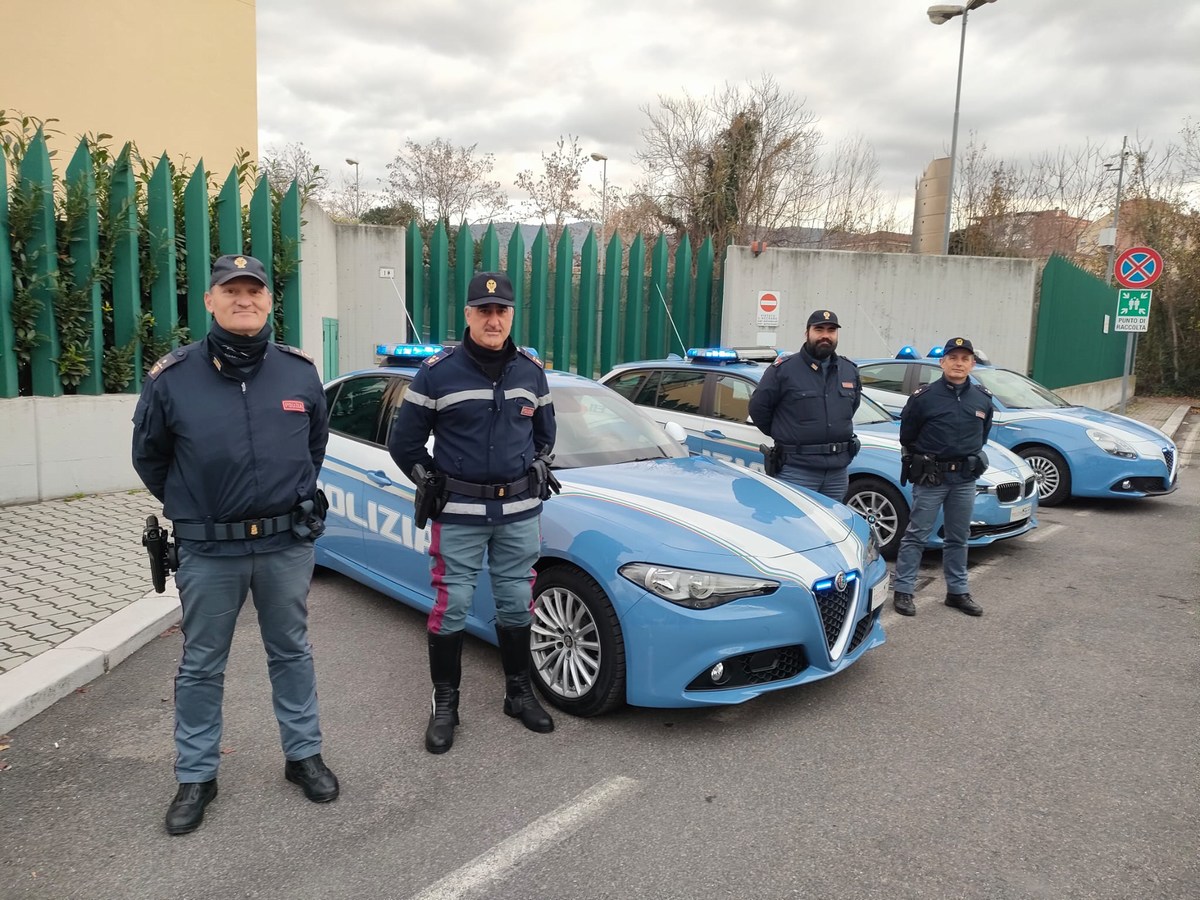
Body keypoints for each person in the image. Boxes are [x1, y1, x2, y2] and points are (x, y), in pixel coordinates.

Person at [132, 254, 338, 836]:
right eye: (232, 291)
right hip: (209, 551)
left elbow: (313, 449)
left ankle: (304, 756)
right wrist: (199, 503)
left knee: (291, 652)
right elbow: (150, 457)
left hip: (284, 545)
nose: (244, 300)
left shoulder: (299, 373)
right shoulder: (173, 378)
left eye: (254, 290)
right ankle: (197, 775)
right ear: (210, 301)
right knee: (201, 664)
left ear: (270, 300)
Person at [389, 271, 558, 755]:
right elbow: (404, 443)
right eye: (483, 311)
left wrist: (537, 465)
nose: (493, 318)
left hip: (519, 512)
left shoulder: (531, 371)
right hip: (459, 512)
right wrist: (428, 479)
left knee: (516, 603)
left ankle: (519, 694)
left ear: (511, 315)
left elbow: (545, 435)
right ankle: (446, 705)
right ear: (468, 315)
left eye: (501, 310)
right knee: (452, 607)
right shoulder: (438, 373)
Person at [891, 337, 993, 618]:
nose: (958, 363)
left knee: (959, 537)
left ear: (972, 364)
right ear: (942, 362)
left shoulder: (982, 398)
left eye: (964, 359)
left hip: (964, 479)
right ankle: (903, 590)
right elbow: (907, 436)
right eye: (953, 358)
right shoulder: (924, 398)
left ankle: (957, 592)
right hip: (931, 478)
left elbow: (981, 436)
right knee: (916, 535)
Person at [748, 309, 862, 500]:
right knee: (794, 526)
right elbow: (758, 409)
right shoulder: (784, 370)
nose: (825, 335)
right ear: (807, 332)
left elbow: (852, 407)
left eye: (831, 330)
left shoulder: (849, 370)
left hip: (837, 472)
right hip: (797, 470)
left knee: (833, 527)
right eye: (819, 329)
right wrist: (786, 433)